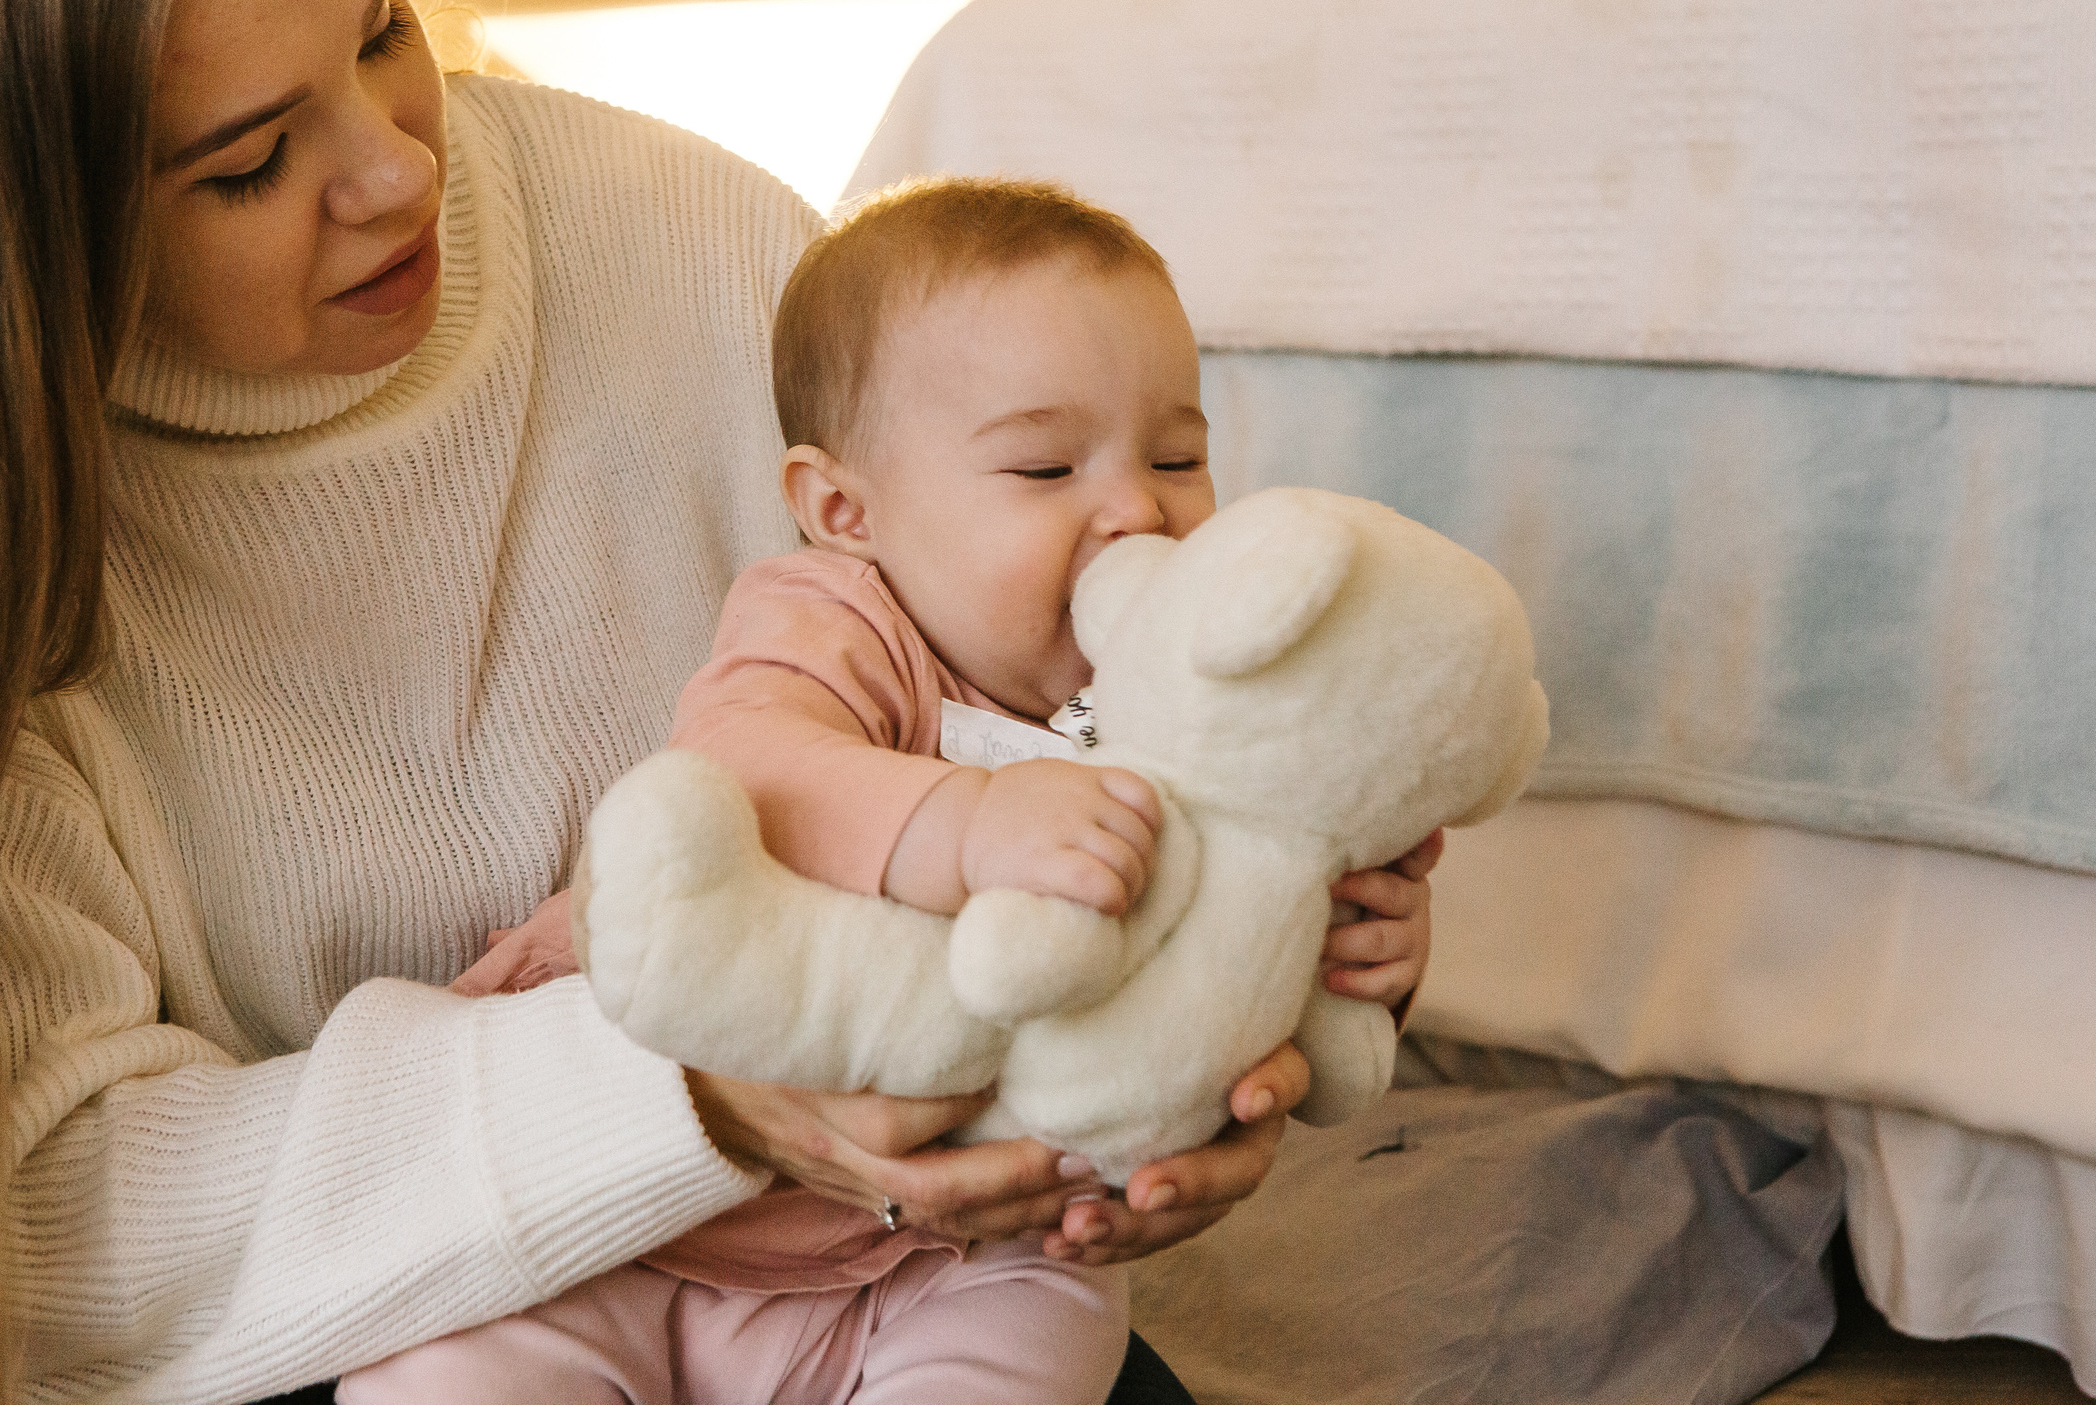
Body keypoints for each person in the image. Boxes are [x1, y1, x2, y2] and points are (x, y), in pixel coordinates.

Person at [0, 0, 1319, 1402]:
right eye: (249, 162)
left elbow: (1050, 682)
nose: (396, 167)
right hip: (375, 1344)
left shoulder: (695, 243)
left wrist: (1277, 895)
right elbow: (61, 1232)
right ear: (14, 234)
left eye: (382, 31)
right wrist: (691, 1086)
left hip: (871, 1276)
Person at [343, 179, 1440, 1402]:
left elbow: (1239, 932)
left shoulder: (1184, 699)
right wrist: (969, 825)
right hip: (639, 1232)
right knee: (455, 1365)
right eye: (1042, 466)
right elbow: (743, 770)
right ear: (844, 510)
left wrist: (1353, 960)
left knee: (1052, 1327)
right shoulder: (842, 619)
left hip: (950, 1253)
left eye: (1177, 457)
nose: (1135, 509)